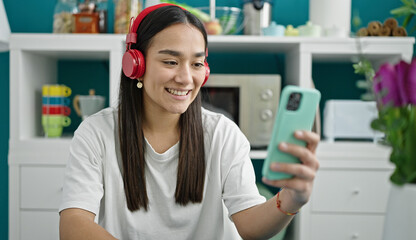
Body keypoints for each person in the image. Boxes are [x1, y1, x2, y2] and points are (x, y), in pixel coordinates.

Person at [59, 3, 320, 240]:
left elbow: (249, 226)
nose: (186, 78)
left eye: (196, 64)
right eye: (171, 61)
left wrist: (291, 199)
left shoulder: (223, 134)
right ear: (135, 64)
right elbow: (73, 225)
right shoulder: (96, 133)